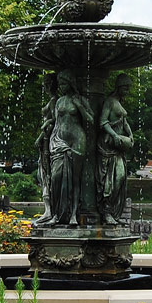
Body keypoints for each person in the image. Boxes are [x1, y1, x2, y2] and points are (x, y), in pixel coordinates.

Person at [47, 70, 93, 226]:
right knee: (55, 178)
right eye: (60, 84)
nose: (61, 86)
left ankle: (73, 214)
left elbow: (90, 120)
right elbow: (56, 121)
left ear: (71, 83)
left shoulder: (80, 99)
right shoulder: (59, 101)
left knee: (74, 179)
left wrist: (80, 106)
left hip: (77, 140)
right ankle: (56, 214)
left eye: (64, 83)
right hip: (59, 141)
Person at [97, 74, 134, 225]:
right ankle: (105, 211)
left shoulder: (119, 102)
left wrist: (130, 134)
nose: (127, 90)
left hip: (118, 148)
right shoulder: (110, 102)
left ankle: (112, 211)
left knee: (120, 177)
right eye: (125, 87)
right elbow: (103, 122)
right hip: (108, 146)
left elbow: (123, 121)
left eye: (128, 88)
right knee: (112, 179)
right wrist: (115, 136)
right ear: (118, 87)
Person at [33, 73, 58, 227]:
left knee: (46, 174)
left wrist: (41, 133)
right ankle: (49, 210)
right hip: (47, 140)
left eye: (48, 84)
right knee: (43, 174)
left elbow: (56, 119)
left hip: (50, 140)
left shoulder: (55, 101)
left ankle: (50, 210)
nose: (46, 87)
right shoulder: (53, 101)